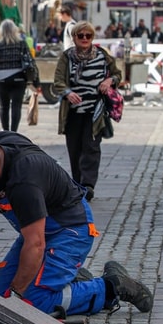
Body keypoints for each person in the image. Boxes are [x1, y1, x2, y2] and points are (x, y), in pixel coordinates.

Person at [0, 132, 154, 316]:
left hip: (71, 230)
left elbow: (35, 245)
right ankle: (72, 280)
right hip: (39, 230)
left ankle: (112, 287)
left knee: (32, 302)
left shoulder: (24, 182)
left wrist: (16, 296)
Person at [53, 21, 122, 202]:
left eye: (88, 36)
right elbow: (58, 81)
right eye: (80, 36)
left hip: (95, 111)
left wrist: (109, 82)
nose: (84, 39)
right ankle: (78, 183)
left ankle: (88, 185)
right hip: (73, 112)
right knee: (75, 149)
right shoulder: (67, 57)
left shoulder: (102, 55)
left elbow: (117, 74)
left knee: (91, 148)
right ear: (74, 37)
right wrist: (68, 93)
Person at [0, 19, 39, 132]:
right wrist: (36, 83)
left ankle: (5, 131)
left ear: (2, 31)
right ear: (14, 30)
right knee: (16, 106)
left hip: (1, 80)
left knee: (4, 107)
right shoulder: (21, 43)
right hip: (19, 78)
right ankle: (14, 131)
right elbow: (31, 62)